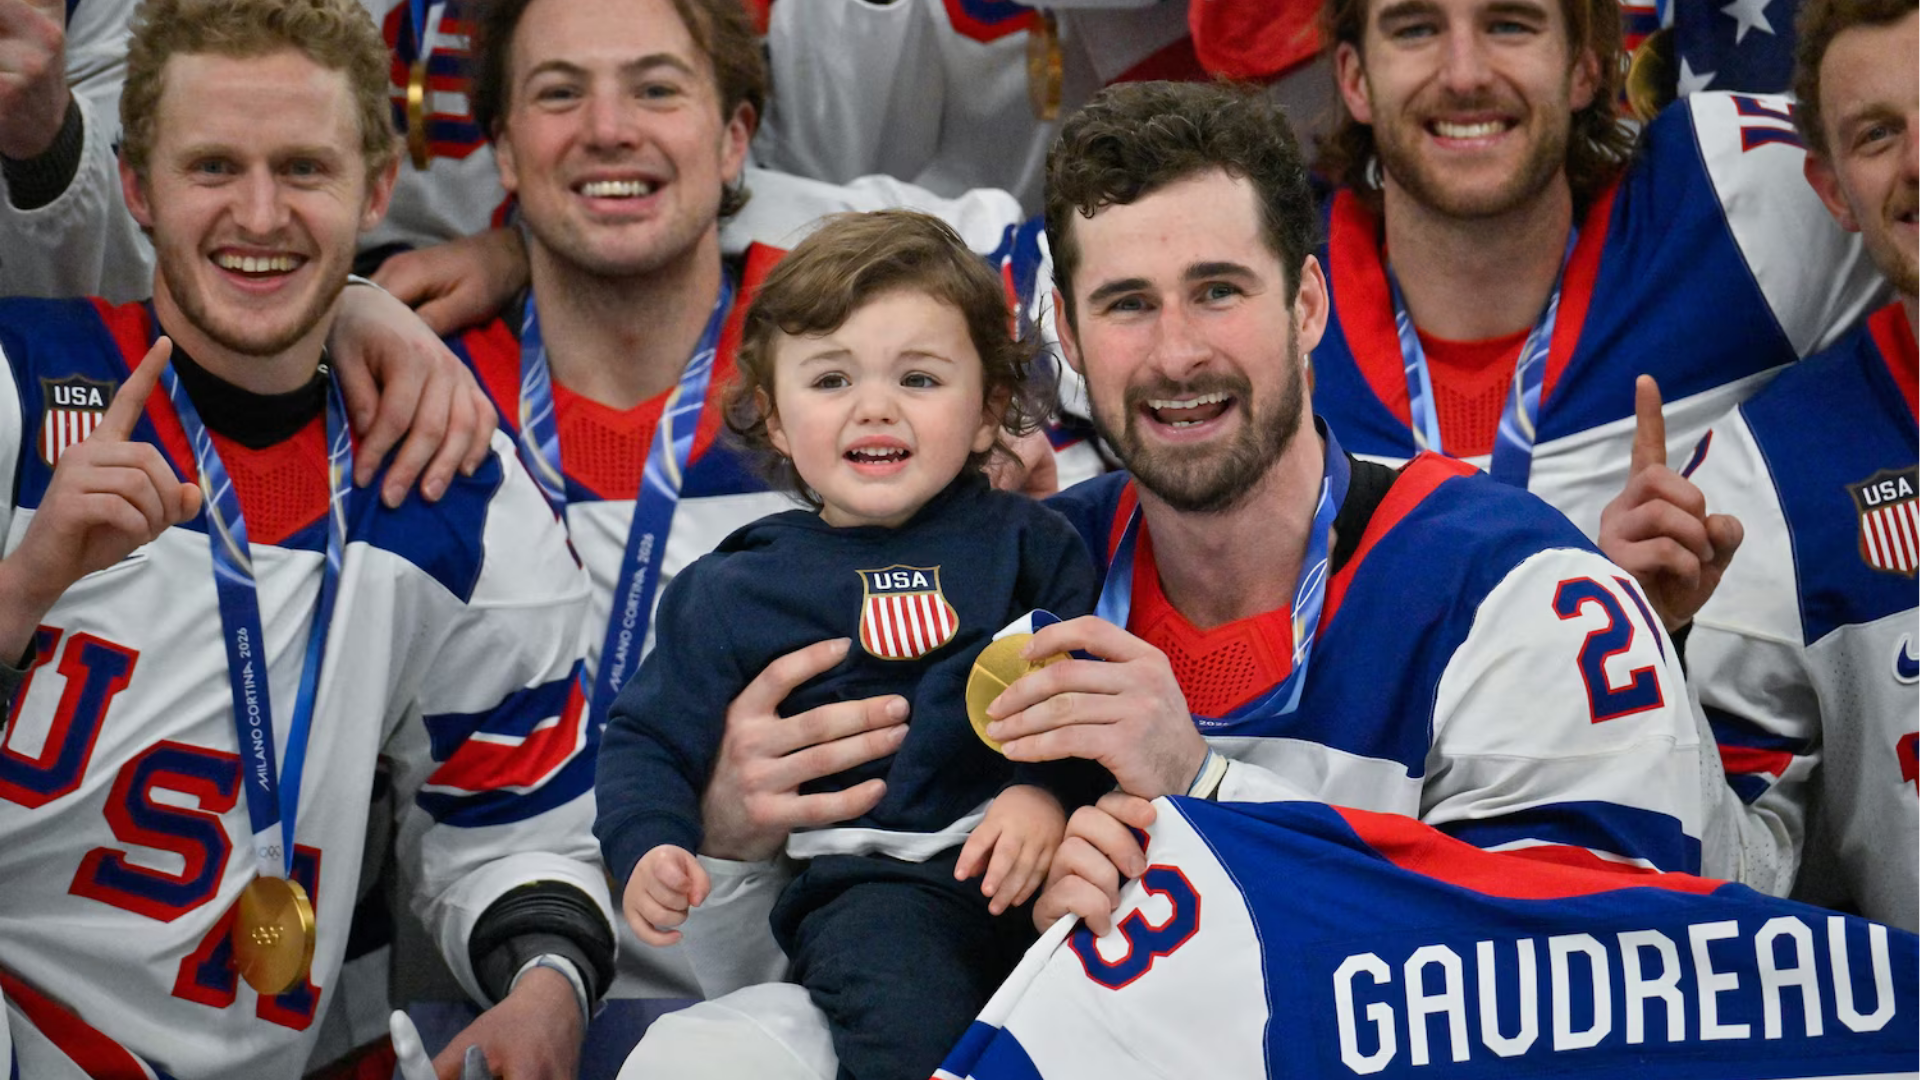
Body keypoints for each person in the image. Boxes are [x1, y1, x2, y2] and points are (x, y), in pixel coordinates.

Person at [624, 78, 1714, 1077]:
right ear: (1067, 335)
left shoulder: (1509, 584)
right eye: (1128, 304)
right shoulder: (1012, 567)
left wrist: (1204, 802)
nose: (1177, 352)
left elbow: (1600, 984)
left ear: (1306, 307)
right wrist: (735, 842)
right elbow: (806, 970)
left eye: (1218, 291)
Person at [0, 0, 616, 1074]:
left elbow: (520, 829)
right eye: (212, 168)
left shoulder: (452, 478)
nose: (259, 214)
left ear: (377, 191)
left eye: (303, 169)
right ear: (136, 186)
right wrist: (22, 591)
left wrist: (547, 990)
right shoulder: (18, 390)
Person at [599, 209, 1102, 1079]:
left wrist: (1043, 794)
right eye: (831, 380)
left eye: (918, 377)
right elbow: (646, 738)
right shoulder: (732, 590)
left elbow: (1084, 696)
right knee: (912, 1032)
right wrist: (650, 845)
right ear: (775, 420)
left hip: (1049, 870)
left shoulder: (1035, 546)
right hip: (872, 891)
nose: (875, 407)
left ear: (989, 409)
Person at [1306, 0, 1886, 541]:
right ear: (1355, 80)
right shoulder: (1280, 310)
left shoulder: (1731, 200)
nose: (1465, 76)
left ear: (1585, 67)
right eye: (1416, 30)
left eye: (1510, 25)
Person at [1599, 0, 1917, 930]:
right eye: (1877, 134)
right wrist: (1656, 644)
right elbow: (1736, 884)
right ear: (1833, 191)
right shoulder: (1765, 480)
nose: (1917, 160)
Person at [938, 795, 1920, 1078]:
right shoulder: (1056, 557)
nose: (1176, 366)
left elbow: (1591, 908)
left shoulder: (1499, 569)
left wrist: (1210, 781)